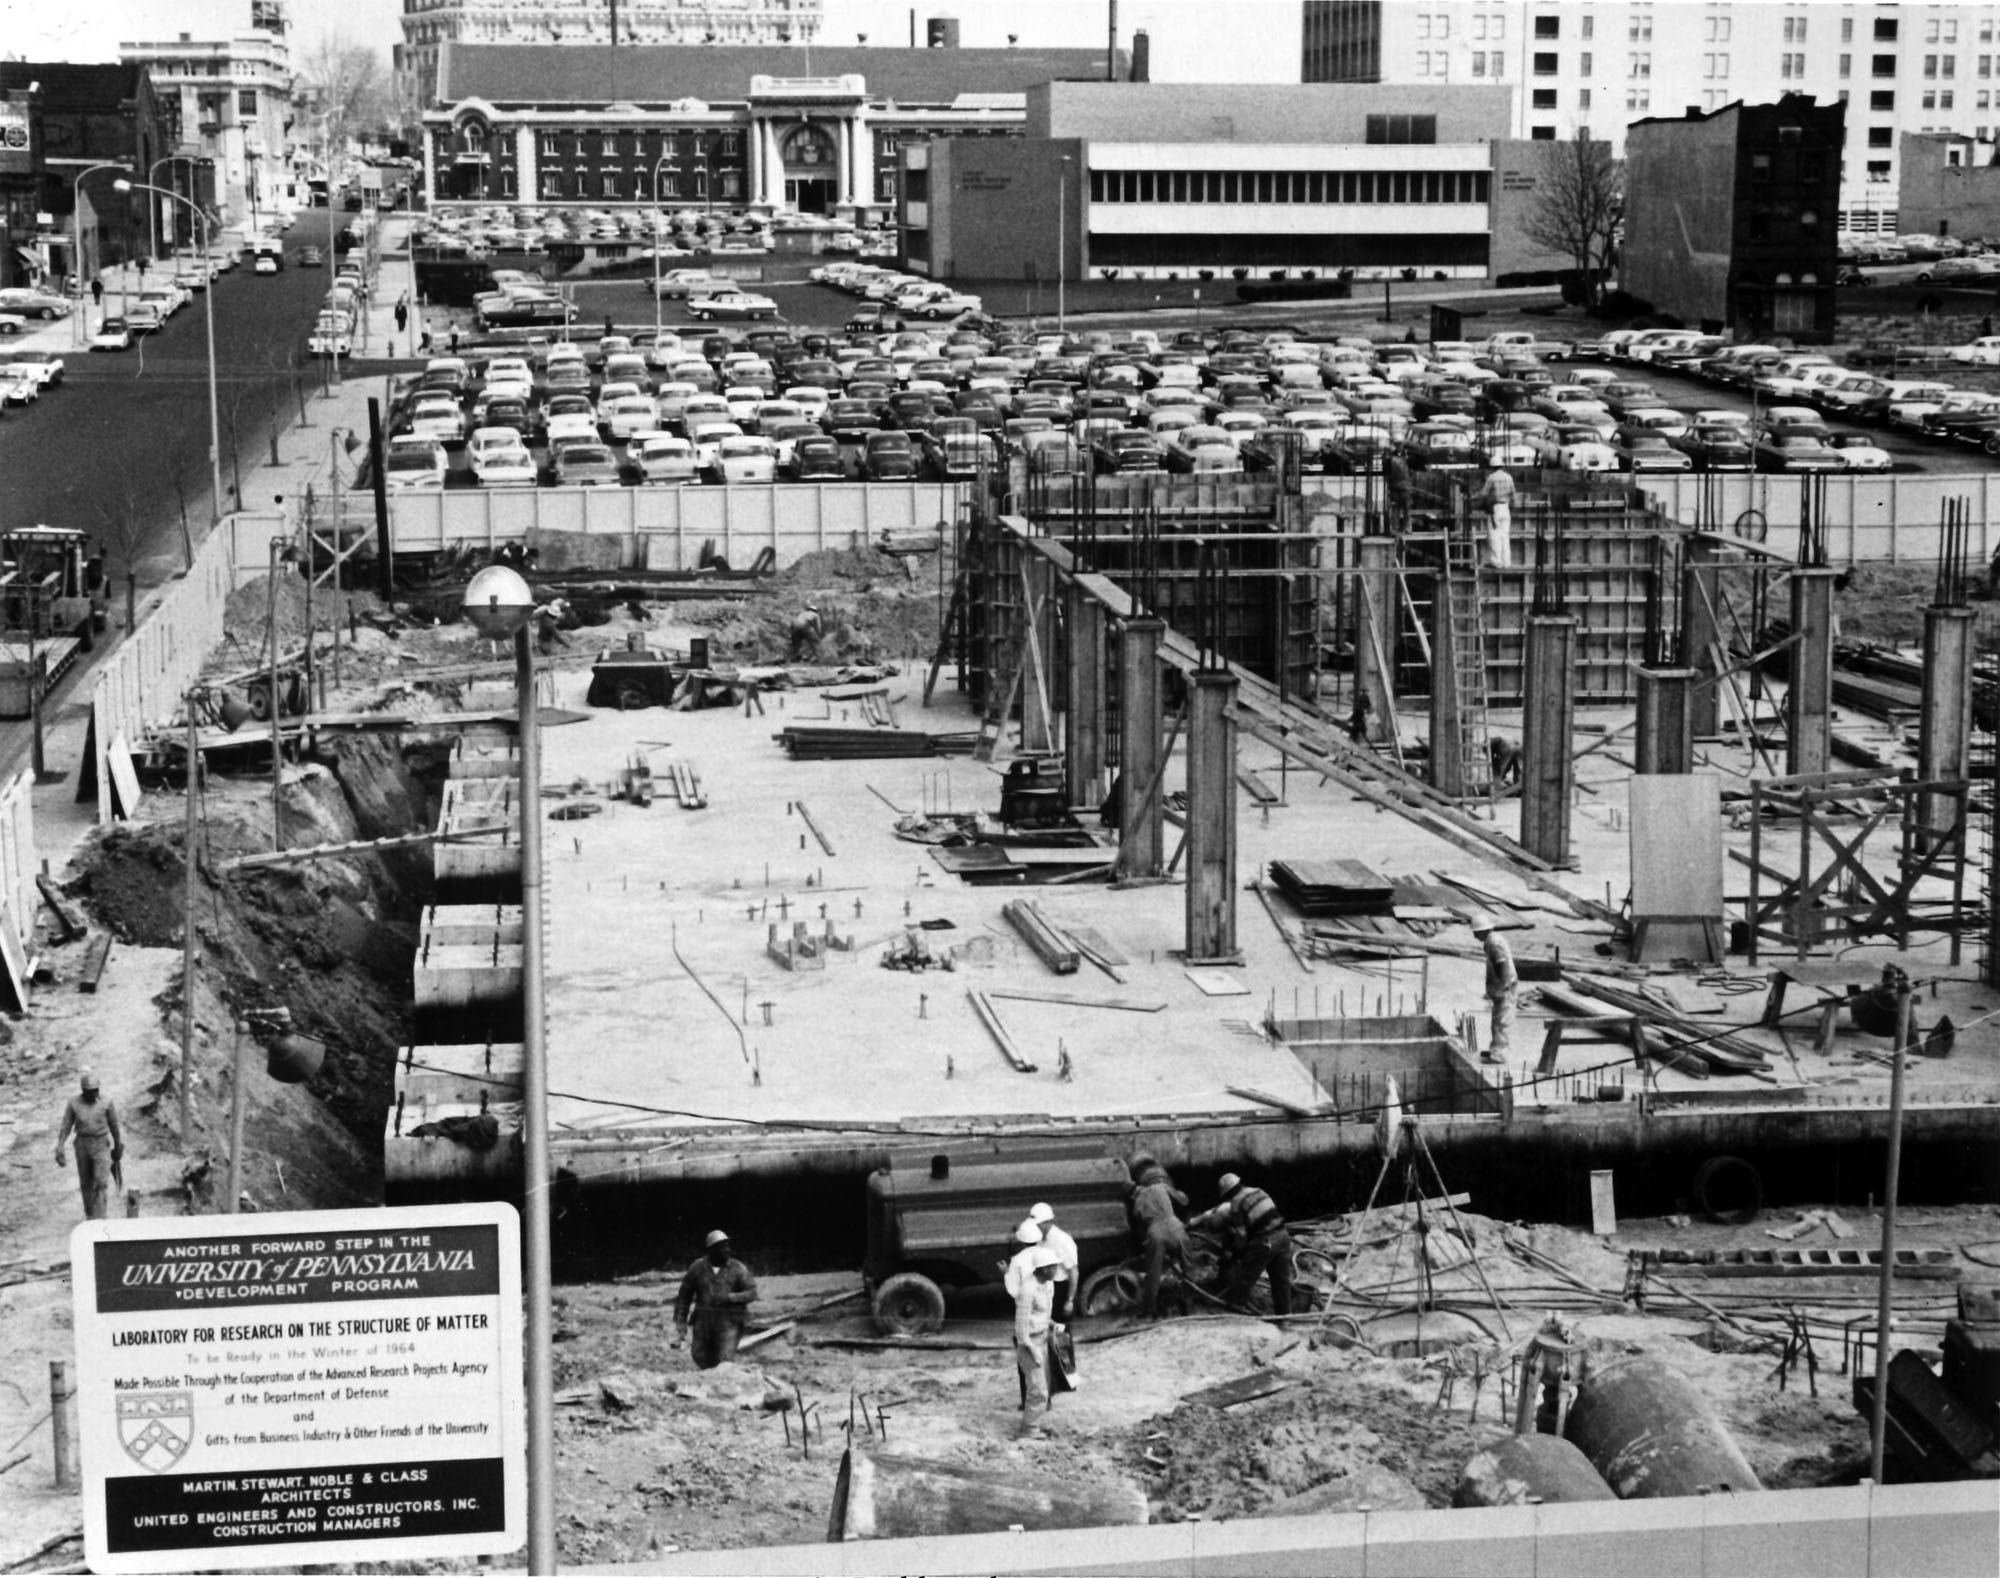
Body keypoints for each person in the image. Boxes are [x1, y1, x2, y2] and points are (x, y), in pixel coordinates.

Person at [1191, 1173, 1292, 1317]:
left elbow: (1241, 1236)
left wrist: (1235, 1253)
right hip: (1283, 1236)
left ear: (1228, 1192)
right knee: (1281, 1282)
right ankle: (1285, 1317)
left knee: (1244, 1276)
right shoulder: (1258, 1191)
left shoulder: (1236, 1203)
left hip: (1266, 1241)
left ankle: (1234, 1312)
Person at [673, 1229, 757, 1368]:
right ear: (711, 1250)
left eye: (727, 1246)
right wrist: (680, 1323)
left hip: (729, 1321)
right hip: (703, 1321)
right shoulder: (697, 1268)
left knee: (724, 1358)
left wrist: (731, 1297)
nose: (727, 1250)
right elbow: (683, 1297)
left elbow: (752, 1293)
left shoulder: (738, 1268)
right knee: (699, 1356)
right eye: (722, 1247)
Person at [1126, 1153, 1189, 1319]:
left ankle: (1149, 1310)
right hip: (1175, 1226)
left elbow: (1140, 1231)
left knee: (1153, 1273)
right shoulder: (1160, 1187)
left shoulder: (1137, 1204)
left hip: (1155, 1232)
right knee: (1187, 1265)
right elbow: (1183, 1200)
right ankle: (1191, 1302)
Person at [55, 1070, 123, 1221]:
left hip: (101, 1143)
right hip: (82, 1144)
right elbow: (66, 1124)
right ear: (83, 1090)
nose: (93, 1094)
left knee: (101, 1181)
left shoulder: (107, 1101)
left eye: (95, 1091)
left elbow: (114, 1124)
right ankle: (90, 1215)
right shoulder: (74, 1103)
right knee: (86, 1181)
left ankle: (101, 1216)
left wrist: (118, 1144)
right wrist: (60, 1145)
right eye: (89, 1091)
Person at [1012, 1244, 1060, 1434]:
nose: (1056, 1270)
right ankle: (1029, 1430)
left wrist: (1052, 1324)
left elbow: (1043, 1314)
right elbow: (1021, 1329)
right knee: (1038, 1390)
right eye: (1054, 1267)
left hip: (1043, 1338)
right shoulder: (1028, 1290)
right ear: (1045, 1268)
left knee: (1045, 1386)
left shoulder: (1048, 1285)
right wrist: (1033, 1351)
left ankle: (1035, 1423)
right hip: (1029, 1344)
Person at [1475, 918, 1517, 1065]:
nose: (1475, 936)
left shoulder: (1494, 943)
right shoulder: (1491, 940)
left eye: (1476, 933)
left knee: (1502, 1022)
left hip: (1505, 987)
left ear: (1483, 931)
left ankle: (1499, 1055)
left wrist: (1504, 986)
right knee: (1497, 1020)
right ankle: (1495, 1050)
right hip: (1501, 986)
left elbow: (1503, 964)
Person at [1028, 1202, 1077, 1324]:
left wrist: (1070, 1300)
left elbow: (1073, 1271)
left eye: (1037, 1225)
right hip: (1046, 1290)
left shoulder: (1062, 1240)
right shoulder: (1041, 1240)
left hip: (1060, 1291)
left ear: (1046, 1222)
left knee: (1060, 1334)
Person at [1475, 461, 1515, 568]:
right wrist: (1511, 506)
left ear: (1492, 467)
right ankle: (1507, 563)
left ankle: (1496, 562)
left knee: (1494, 535)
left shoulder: (1492, 477)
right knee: (1505, 536)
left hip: (1495, 509)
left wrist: (1473, 497)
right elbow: (1513, 495)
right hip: (1506, 508)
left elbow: (1483, 493)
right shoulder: (1509, 477)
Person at [1382, 449, 1413, 531]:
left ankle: (1395, 528)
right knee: (1406, 509)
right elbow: (1410, 473)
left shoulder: (1390, 461)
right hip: (1405, 489)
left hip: (1394, 489)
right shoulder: (1406, 461)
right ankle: (1408, 528)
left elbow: (1386, 475)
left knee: (1395, 509)